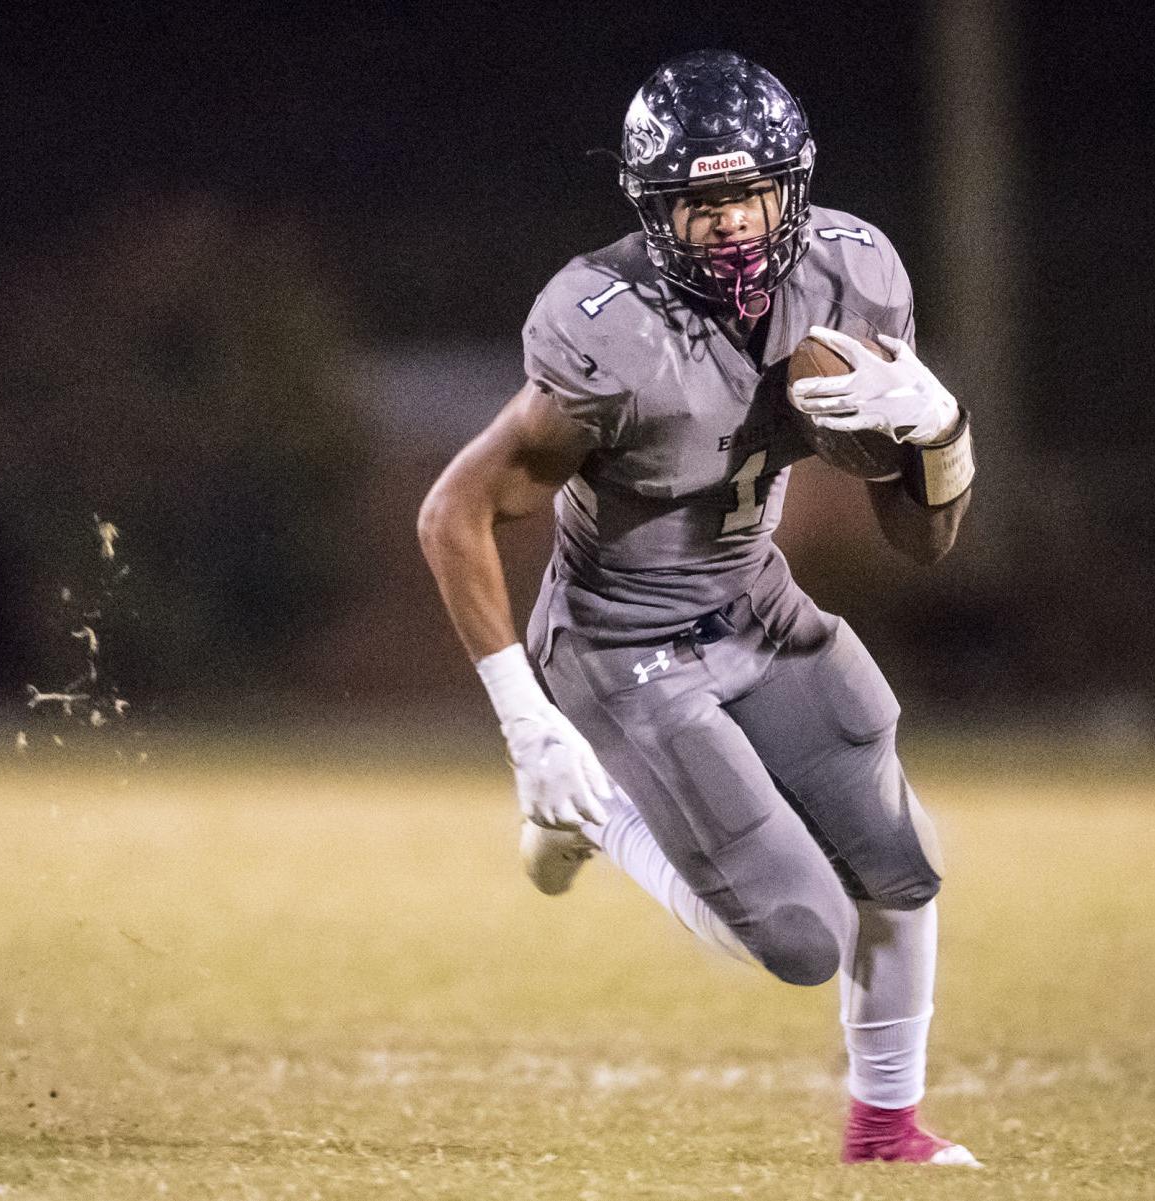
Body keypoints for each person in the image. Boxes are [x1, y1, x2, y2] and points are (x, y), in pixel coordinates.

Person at [417, 49, 979, 1167]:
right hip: (620, 646)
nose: (725, 223)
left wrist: (944, 434)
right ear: (653, 209)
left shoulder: (854, 275)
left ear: (793, 187)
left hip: (755, 607)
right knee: (799, 935)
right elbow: (451, 513)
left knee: (902, 865)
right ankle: (591, 808)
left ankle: (883, 1131)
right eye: (696, 201)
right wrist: (526, 723)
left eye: (744, 194)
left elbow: (918, 541)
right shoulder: (606, 326)